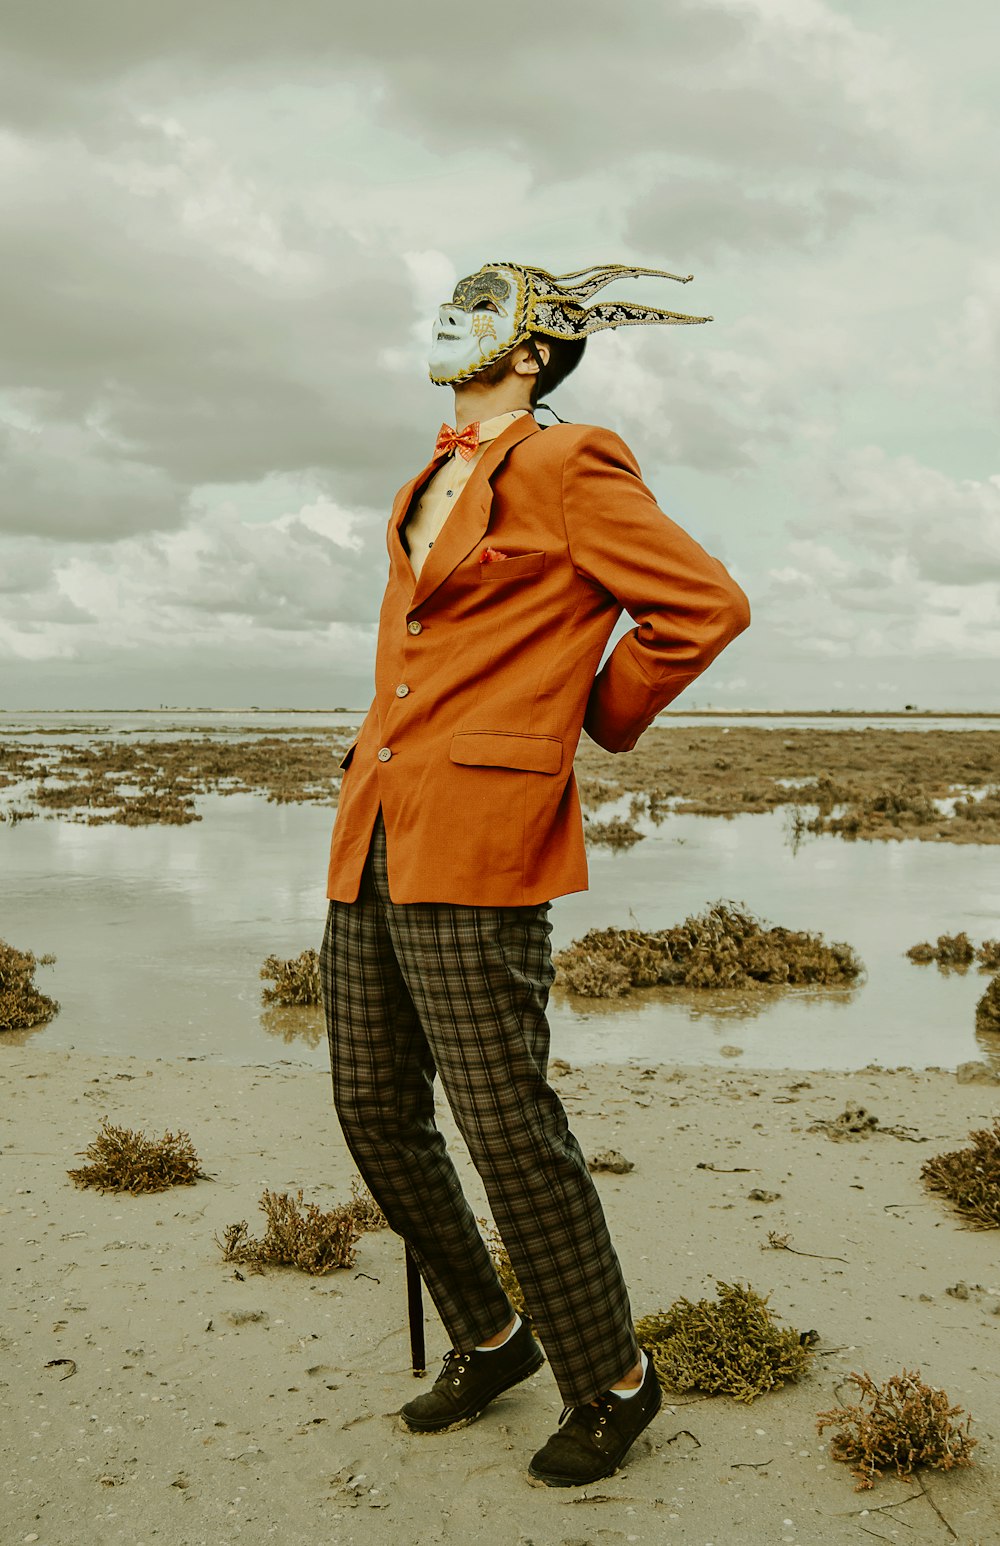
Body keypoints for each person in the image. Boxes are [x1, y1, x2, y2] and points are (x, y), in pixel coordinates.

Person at [319, 260, 750, 1486]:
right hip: (378, 824)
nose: (443, 323)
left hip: (482, 831)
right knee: (371, 1106)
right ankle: (490, 1333)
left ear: (530, 351)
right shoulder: (429, 470)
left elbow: (704, 606)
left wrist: (576, 723)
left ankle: (614, 1377)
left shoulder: (572, 463)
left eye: (474, 311)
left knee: (506, 1127)